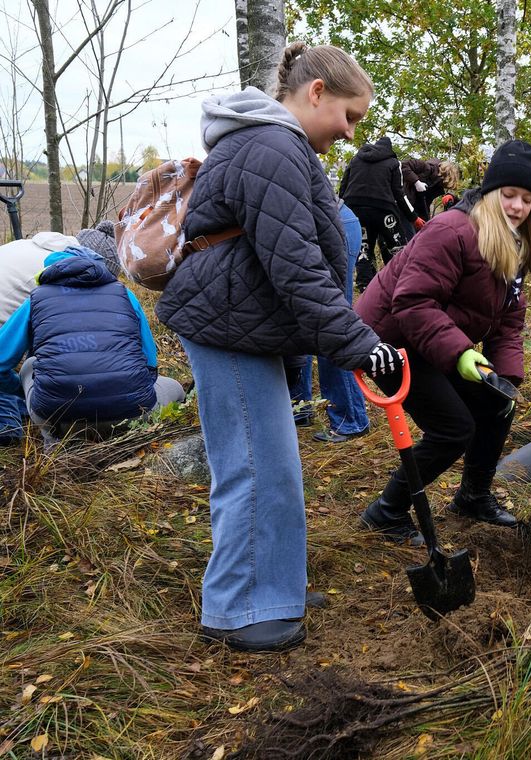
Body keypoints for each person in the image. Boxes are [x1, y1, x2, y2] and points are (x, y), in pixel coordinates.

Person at [156, 43, 404, 652]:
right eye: (349, 115)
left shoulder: (274, 144)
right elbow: (297, 269)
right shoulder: (270, 146)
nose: (350, 133)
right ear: (316, 92)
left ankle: (272, 583)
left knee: (274, 464)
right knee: (252, 466)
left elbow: (296, 261)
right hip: (225, 323)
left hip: (240, 321)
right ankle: (240, 608)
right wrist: (360, 346)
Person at [354, 140, 531, 542]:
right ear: (491, 191)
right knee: (453, 429)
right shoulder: (453, 230)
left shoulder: (514, 243)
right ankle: (386, 512)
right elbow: (411, 302)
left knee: (496, 404)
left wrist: (506, 379)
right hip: (389, 339)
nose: (517, 206)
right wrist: (461, 351)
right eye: (509, 194)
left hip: (431, 337)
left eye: (527, 199)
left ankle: (473, 496)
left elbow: (508, 321)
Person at [0, 246, 184, 445]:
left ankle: (54, 443)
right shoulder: (124, 294)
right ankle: (144, 437)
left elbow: (1, 362)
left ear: (51, 269)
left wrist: (22, 391)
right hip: (132, 412)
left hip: (59, 418)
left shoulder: (35, 299)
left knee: (31, 364)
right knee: (175, 388)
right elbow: (150, 362)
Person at [0, 225, 118, 444]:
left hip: (6, 320)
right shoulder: (52, 282)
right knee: (8, 428)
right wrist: (22, 390)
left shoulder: (45, 250)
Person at [287, 202, 372, 443]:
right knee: (295, 317)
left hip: (330, 226)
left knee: (328, 320)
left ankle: (350, 419)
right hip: (305, 228)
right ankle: (299, 407)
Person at [339, 136, 416, 288]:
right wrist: (413, 217)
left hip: (356, 208)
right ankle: (401, 281)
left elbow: (344, 185)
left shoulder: (356, 159)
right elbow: (399, 193)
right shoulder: (394, 163)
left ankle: (364, 285)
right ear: (389, 149)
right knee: (398, 247)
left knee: (364, 248)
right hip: (383, 209)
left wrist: (342, 209)